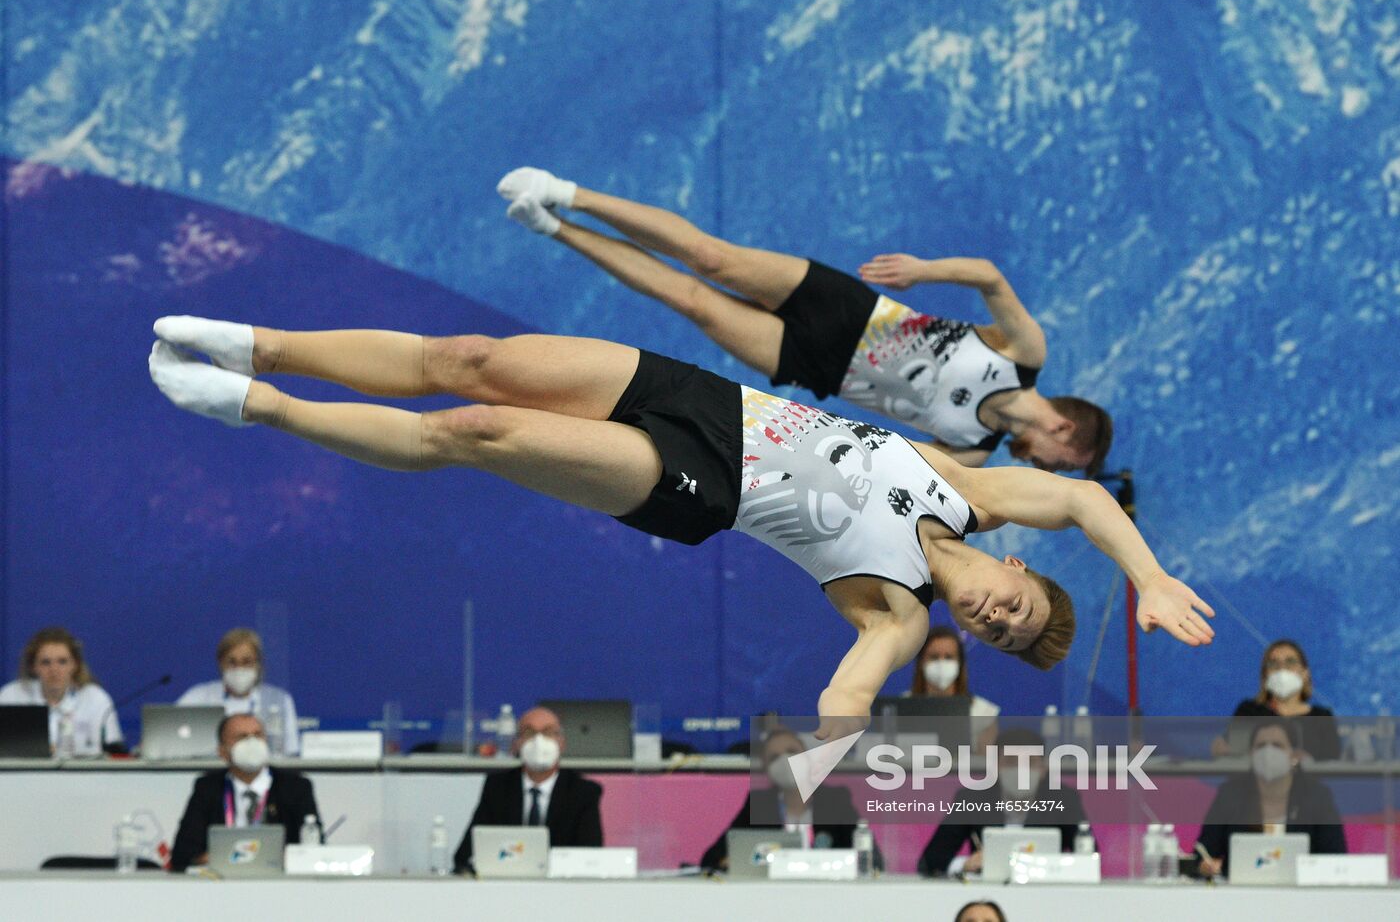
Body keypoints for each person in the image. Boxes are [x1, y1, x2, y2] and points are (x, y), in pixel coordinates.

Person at [146, 316, 1214, 734]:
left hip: (692, 483)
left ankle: (262, 406)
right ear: (1018, 570)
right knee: (465, 360)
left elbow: (843, 697)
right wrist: (1149, 580)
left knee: (471, 430)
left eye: (996, 634)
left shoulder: (891, 614)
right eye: (1015, 605)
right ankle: (264, 347)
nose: (989, 612)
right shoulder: (971, 486)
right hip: (711, 400)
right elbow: (1078, 496)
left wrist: (816, 782)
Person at [497, 167, 1111, 473]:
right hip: (854, 312)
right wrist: (923, 270)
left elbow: (899, 462)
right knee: (712, 258)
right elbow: (989, 276)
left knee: (690, 300)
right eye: (1063, 462)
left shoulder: (973, 450)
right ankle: (567, 194)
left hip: (820, 368)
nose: (1047, 467)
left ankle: (553, 228)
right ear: (1066, 432)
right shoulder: (1025, 353)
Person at [700, 727, 880, 872]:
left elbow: (873, 860)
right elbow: (711, 859)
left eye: (792, 752)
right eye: (775, 757)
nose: (785, 761)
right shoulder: (759, 805)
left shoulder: (835, 801)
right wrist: (728, 862)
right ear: (767, 769)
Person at [917, 728, 1090, 877]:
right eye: (1011, 762)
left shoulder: (1064, 800)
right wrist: (965, 865)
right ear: (996, 766)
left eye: (1030, 762)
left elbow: (1088, 859)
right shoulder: (972, 799)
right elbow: (930, 860)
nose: (1020, 770)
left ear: (1043, 769)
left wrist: (1056, 866)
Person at [452, 706, 602, 874]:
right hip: (506, 887)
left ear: (562, 743)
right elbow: (465, 855)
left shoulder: (583, 792)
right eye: (530, 733)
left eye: (548, 732)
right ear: (517, 743)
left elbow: (591, 858)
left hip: (562, 891)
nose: (539, 741)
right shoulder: (498, 787)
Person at [1195, 718, 1346, 878]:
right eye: (1261, 746)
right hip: (1241, 893)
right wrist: (1206, 866)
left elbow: (1336, 857)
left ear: (1294, 754)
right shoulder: (1230, 794)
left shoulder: (1316, 796)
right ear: (1251, 754)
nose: (1268, 752)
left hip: (1302, 896)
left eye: (1277, 745)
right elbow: (1202, 854)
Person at [169, 713, 320, 872]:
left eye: (258, 735)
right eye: (242, 737)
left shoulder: (295, 787)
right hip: (221, 885)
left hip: (279, 884)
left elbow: (314, 849)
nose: (252, 742)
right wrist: (227, 858)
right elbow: (182, 854)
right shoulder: (208, 788)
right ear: (222, 751)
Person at [0, 626, 123, 756]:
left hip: (84, 775)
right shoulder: (11, 696)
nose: (54, 670)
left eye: (62, 661)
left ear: (75, 664)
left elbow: (113, 751)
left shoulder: (96, 699)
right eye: (45, 662)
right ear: (33, 667)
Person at [177, 627, 301, 755]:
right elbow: (173, 741)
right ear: (221, 664)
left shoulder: (280, 700)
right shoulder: (196, 698)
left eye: (247, 662)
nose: (239, 669)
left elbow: (291, 751)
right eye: (232, 662)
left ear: (258, 664)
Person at [1210, 639, 1340, 761]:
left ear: (1305, 673)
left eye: (1290, 662)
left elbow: (1332, 765)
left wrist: (1307, 762)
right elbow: (1234, 756)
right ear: (1265, 675)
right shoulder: (1249, 710)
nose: (1282, 669)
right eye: (1273, 663)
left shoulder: (1321, 717)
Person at [906, 625, 999, 754]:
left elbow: (987, 768)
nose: (941, 663)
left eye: (949, 657)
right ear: (921, 662)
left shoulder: (983, 713)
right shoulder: (900, 708)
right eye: (934, 657)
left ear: (960, 664)